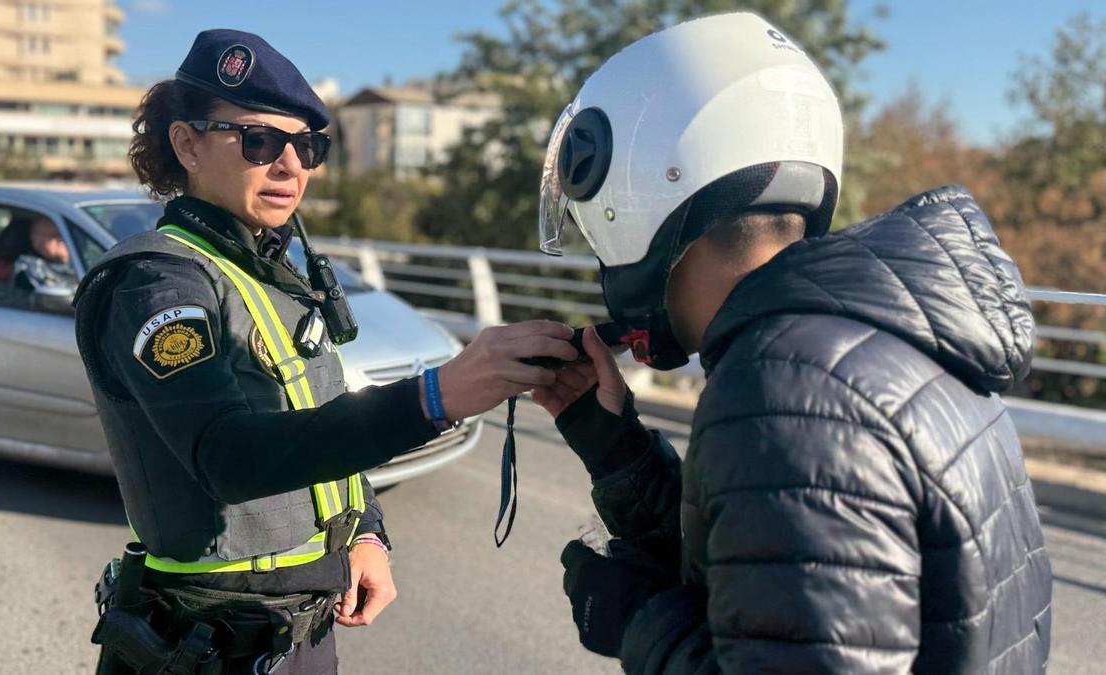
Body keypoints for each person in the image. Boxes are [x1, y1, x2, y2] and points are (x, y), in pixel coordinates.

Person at [532, 13, 1053, 674]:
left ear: (636, 187)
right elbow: (778, 568)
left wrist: (640, 619)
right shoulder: (874, 344)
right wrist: (616, 449)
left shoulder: (784, 391)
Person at [73, 29, 577, 674]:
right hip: (207, 639)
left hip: (298, 625)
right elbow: (227, 456)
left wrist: (364, 529)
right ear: (187, 143)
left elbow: (321, 411)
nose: (291, 167)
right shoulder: (157, 284)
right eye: (258, 140)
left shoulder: (268, 267)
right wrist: (436, 396)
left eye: (307, 145)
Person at [12, 216, 78, 294]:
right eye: (36, 233)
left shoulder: (82, 258)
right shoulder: (28, 266)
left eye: (61, 235)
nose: (61, 240)